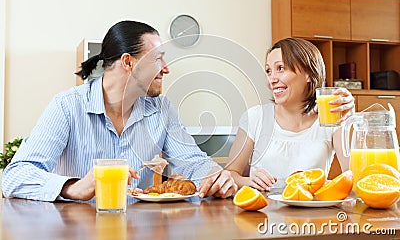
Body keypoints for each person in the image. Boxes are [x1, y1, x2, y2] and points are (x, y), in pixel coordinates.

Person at [2, 20, 237, 201]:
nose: (166, 69)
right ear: (128, 62)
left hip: (142, 230)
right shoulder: (67, 106)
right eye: (158, 59)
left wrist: (215, 175)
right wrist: (76, 187)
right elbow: (15, 176)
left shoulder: (162, 109)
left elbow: (192, 162)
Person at [225, 37, 355, 192]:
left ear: (308, 73)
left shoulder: (331, 118)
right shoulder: (255, 118)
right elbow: (230, 174)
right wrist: (249, 181)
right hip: (262, 213)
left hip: (312, 214)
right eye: (268, 71)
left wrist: (350, 121)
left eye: (280, 68)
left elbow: (353, 176)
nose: (271, 80)